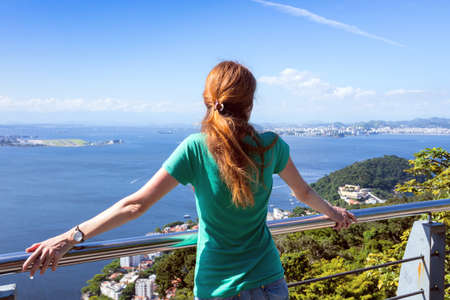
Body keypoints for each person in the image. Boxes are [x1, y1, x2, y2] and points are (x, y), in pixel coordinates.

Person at [22, 61, 357, 299]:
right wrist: (335, 213)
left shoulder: (196, 148)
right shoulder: (271, 145)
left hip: (219, 285)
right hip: (270, 281)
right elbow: (304, 192)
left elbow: (136, 205)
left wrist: (71, 236)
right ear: (250, 103)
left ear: (208, 101)